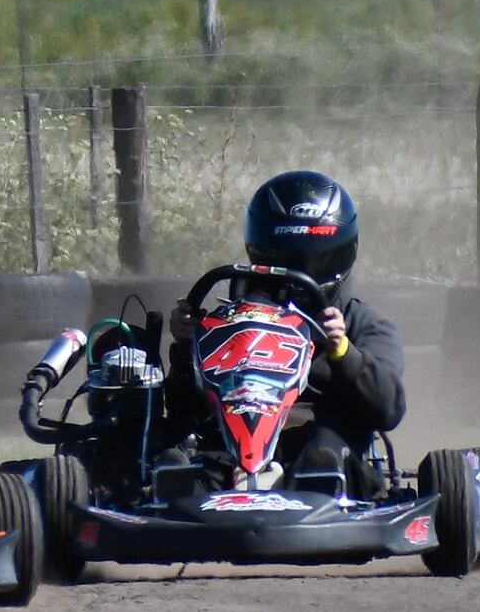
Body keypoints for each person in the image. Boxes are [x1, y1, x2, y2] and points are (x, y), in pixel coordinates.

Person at [165, 170, 405, 497]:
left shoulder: (360, 323)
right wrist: (185, 350)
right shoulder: (232, 318)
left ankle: (317, 503)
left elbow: (388, 407)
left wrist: (342, 353)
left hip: (319, 437)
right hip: (234, 438)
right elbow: (184, 410)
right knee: (176, 466)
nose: (297, 271)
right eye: (287, 257)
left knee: (321, 459)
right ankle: (192, 501)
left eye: (312, 259)